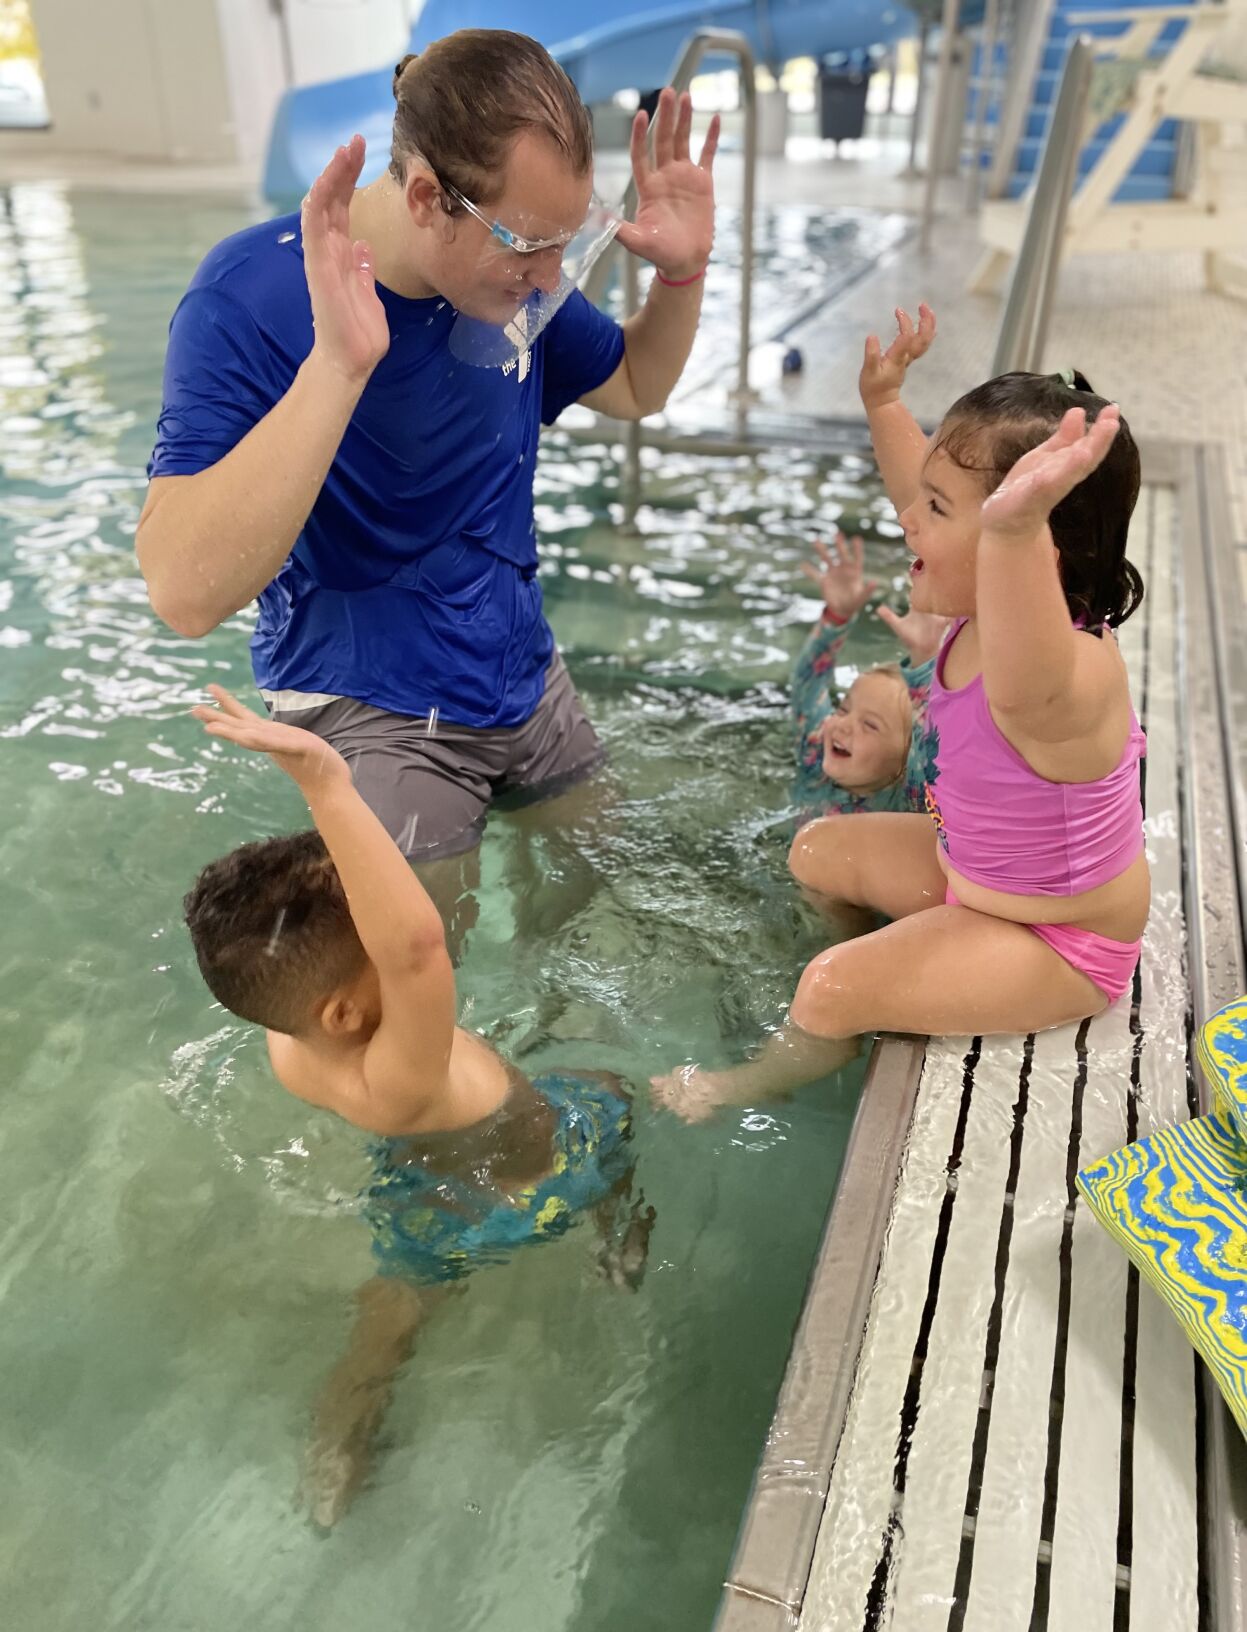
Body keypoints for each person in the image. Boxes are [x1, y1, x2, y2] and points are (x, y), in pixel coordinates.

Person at [138, 30, 719, 919]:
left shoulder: (511, 280)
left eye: (566, 243)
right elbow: (181, 592)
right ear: (424, 197)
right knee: (407, 996)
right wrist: (336, 369)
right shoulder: (249, 297)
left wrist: (680, 277)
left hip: (519, 671)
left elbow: (637, 383)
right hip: (370, 706)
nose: (549, 279)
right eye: (529, 246)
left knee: (608, 903)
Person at [655, 307, 1148, 1116]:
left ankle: (756, 1077)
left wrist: (1012, 525)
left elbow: (1022, 667)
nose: (905, 518)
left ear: (1028, 543)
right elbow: (921, 492)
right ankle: (886, 979)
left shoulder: (1061, 672)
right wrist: (884, 403)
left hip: (1055, 945)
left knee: (828, 985)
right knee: (818, 850)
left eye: (938, 511)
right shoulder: (983, 609)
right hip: (975, 882)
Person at [184, 686, 654, 1525]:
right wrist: (329, 786)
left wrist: (325, 827)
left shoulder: (287, 1033)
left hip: (422, 1177)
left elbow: (344, 944)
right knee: (613, 1099)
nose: (388, 901)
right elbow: (415, 948)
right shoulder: (404, 1066)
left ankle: (336, 1455)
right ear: (345, 1009)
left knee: (392, 1311)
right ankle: (615, 1241)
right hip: (528, 1171)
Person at [791, 528, 947, 823]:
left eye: (870, 725)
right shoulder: (816, 757)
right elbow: (808, 686)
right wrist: (836, 618)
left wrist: (925, 657)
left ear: (902, 762)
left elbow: (931, 746)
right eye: (843, 709)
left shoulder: (905, 803)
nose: (843, 726)